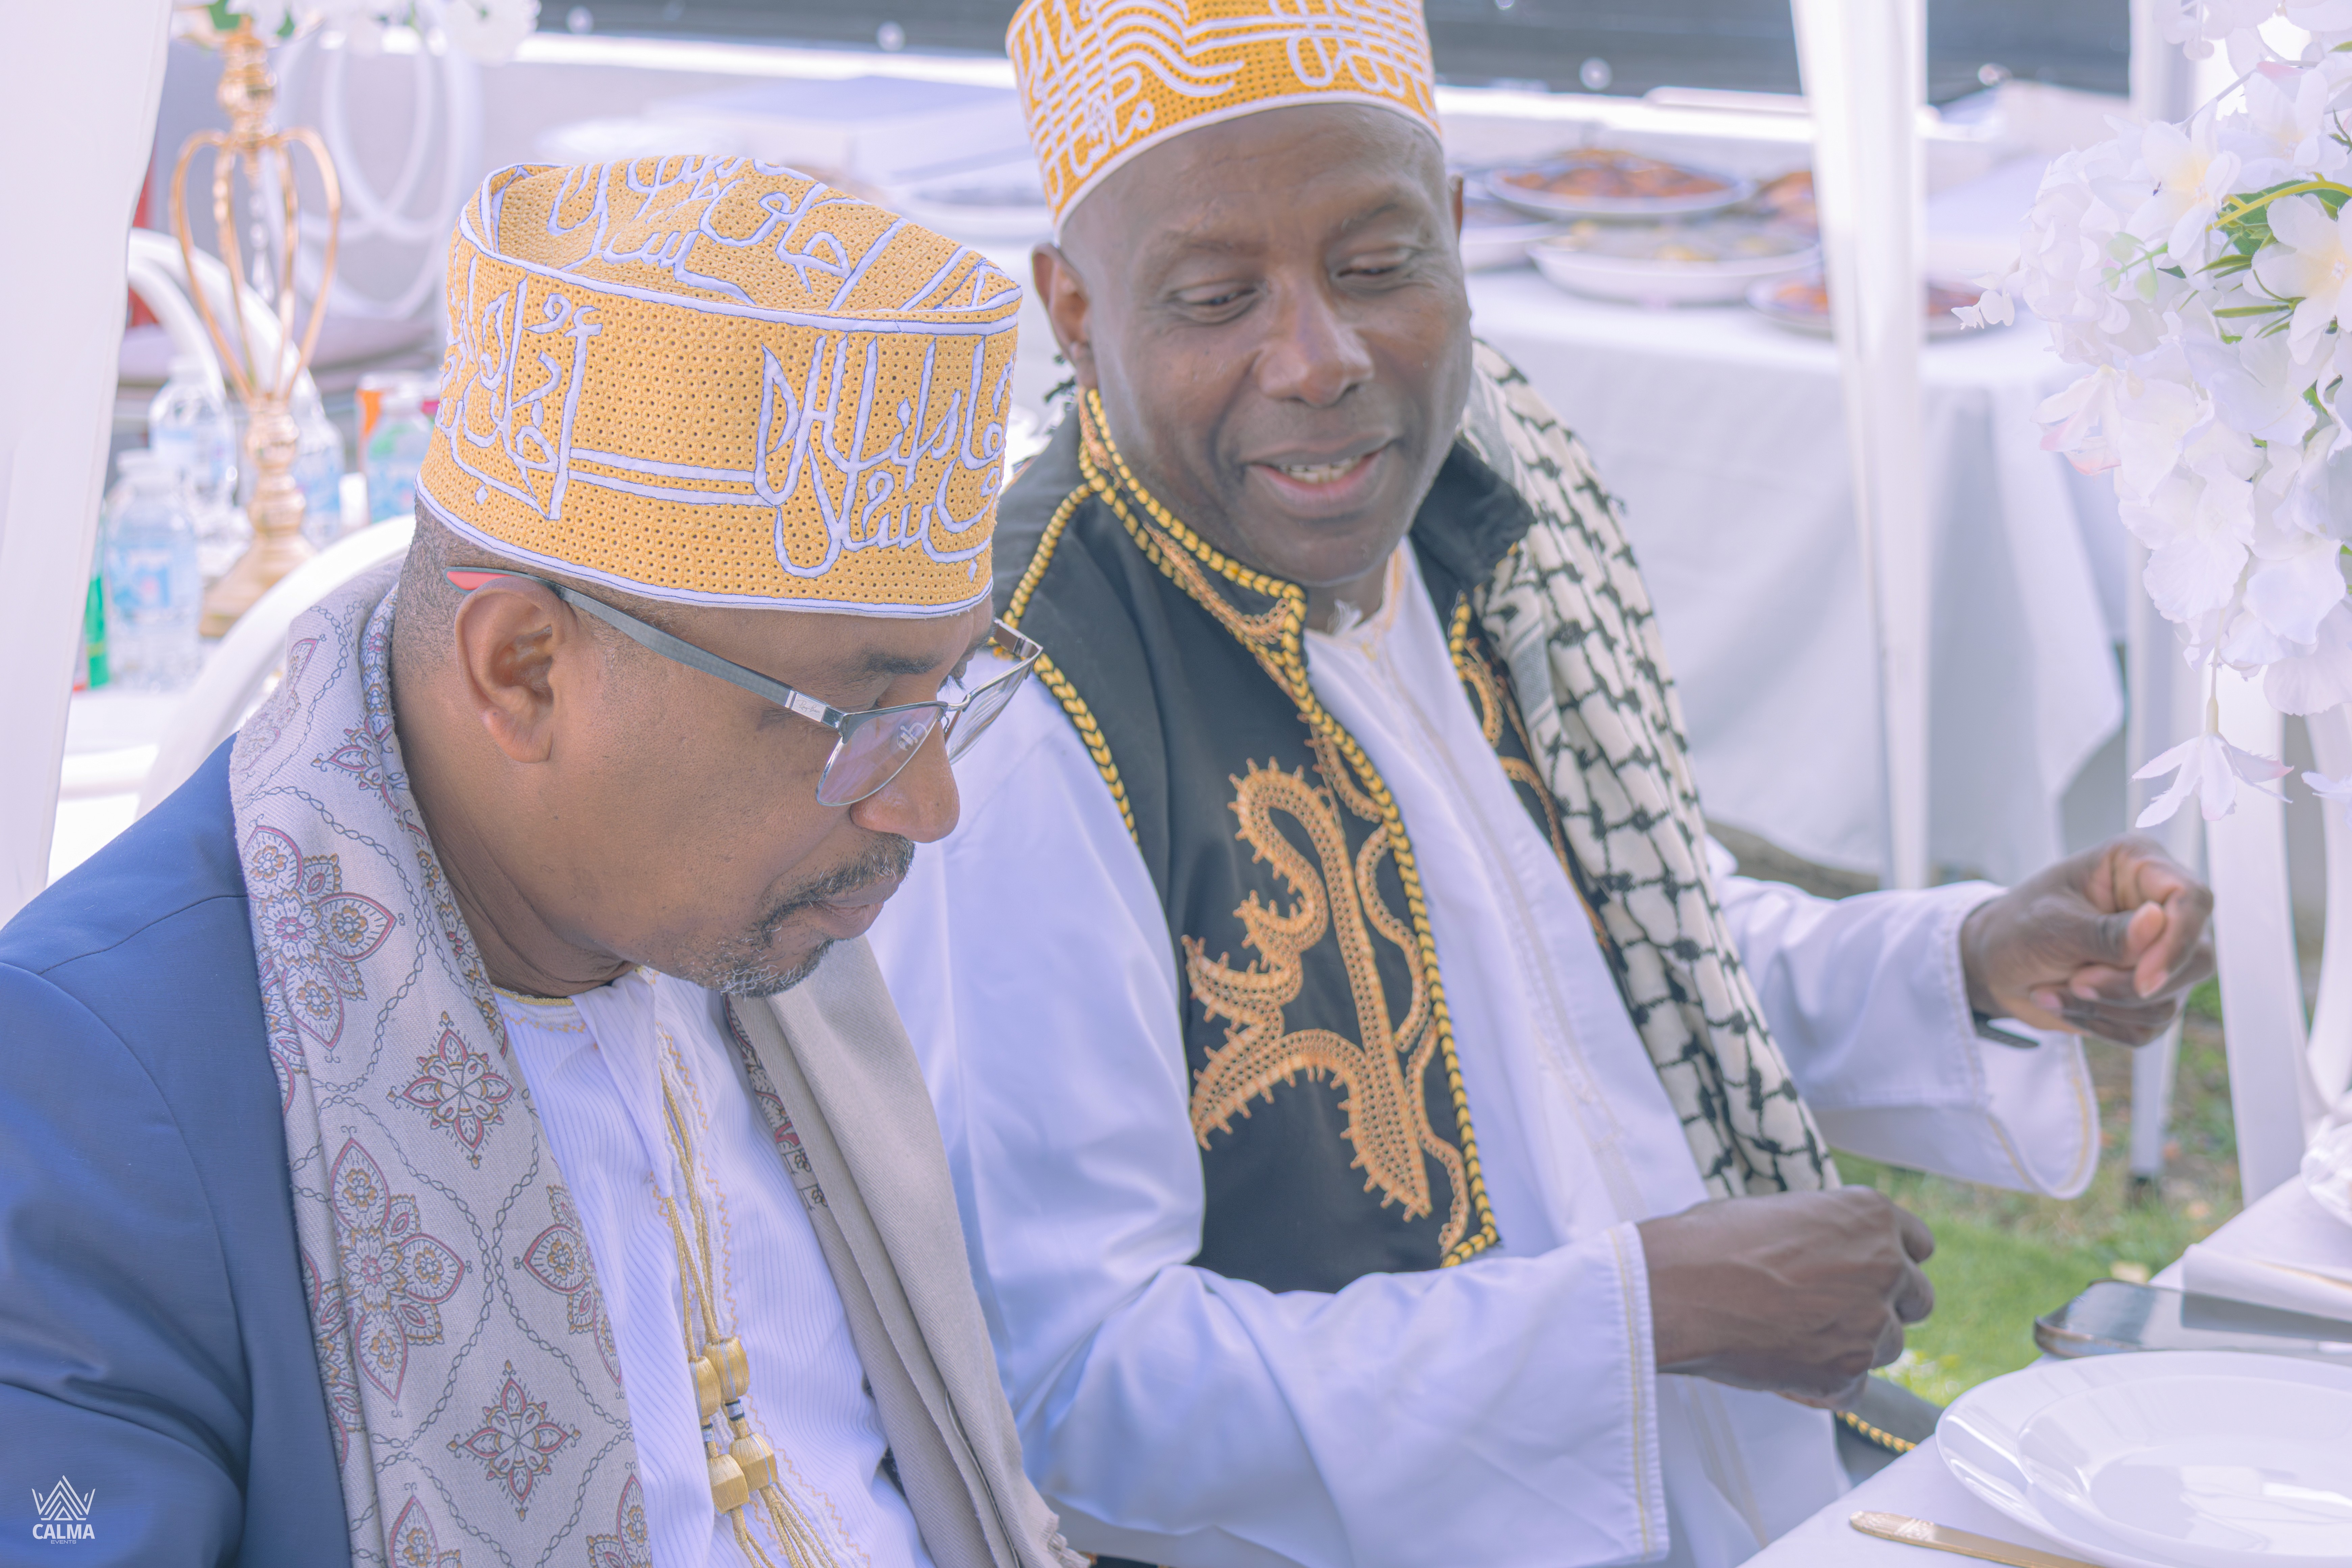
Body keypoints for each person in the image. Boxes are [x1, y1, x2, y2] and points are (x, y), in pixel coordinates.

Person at [864, 5, 2217, 1566]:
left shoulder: (1462, 508)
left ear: (1452, 234)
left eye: (1376, 269)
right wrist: (1645, 1311)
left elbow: (1621, 961)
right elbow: (1067, 1396)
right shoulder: (1035, 711)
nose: (1319, 358)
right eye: (1218, 297)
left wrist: (1962, 958)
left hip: (1727, 1488)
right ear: (1073, 311)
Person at [0, 158, 1080, 1568]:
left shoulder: (766, 926)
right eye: (858, 718)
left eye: (944, 697)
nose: (928, 804)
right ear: (521, 671)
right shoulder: (89, 1078)